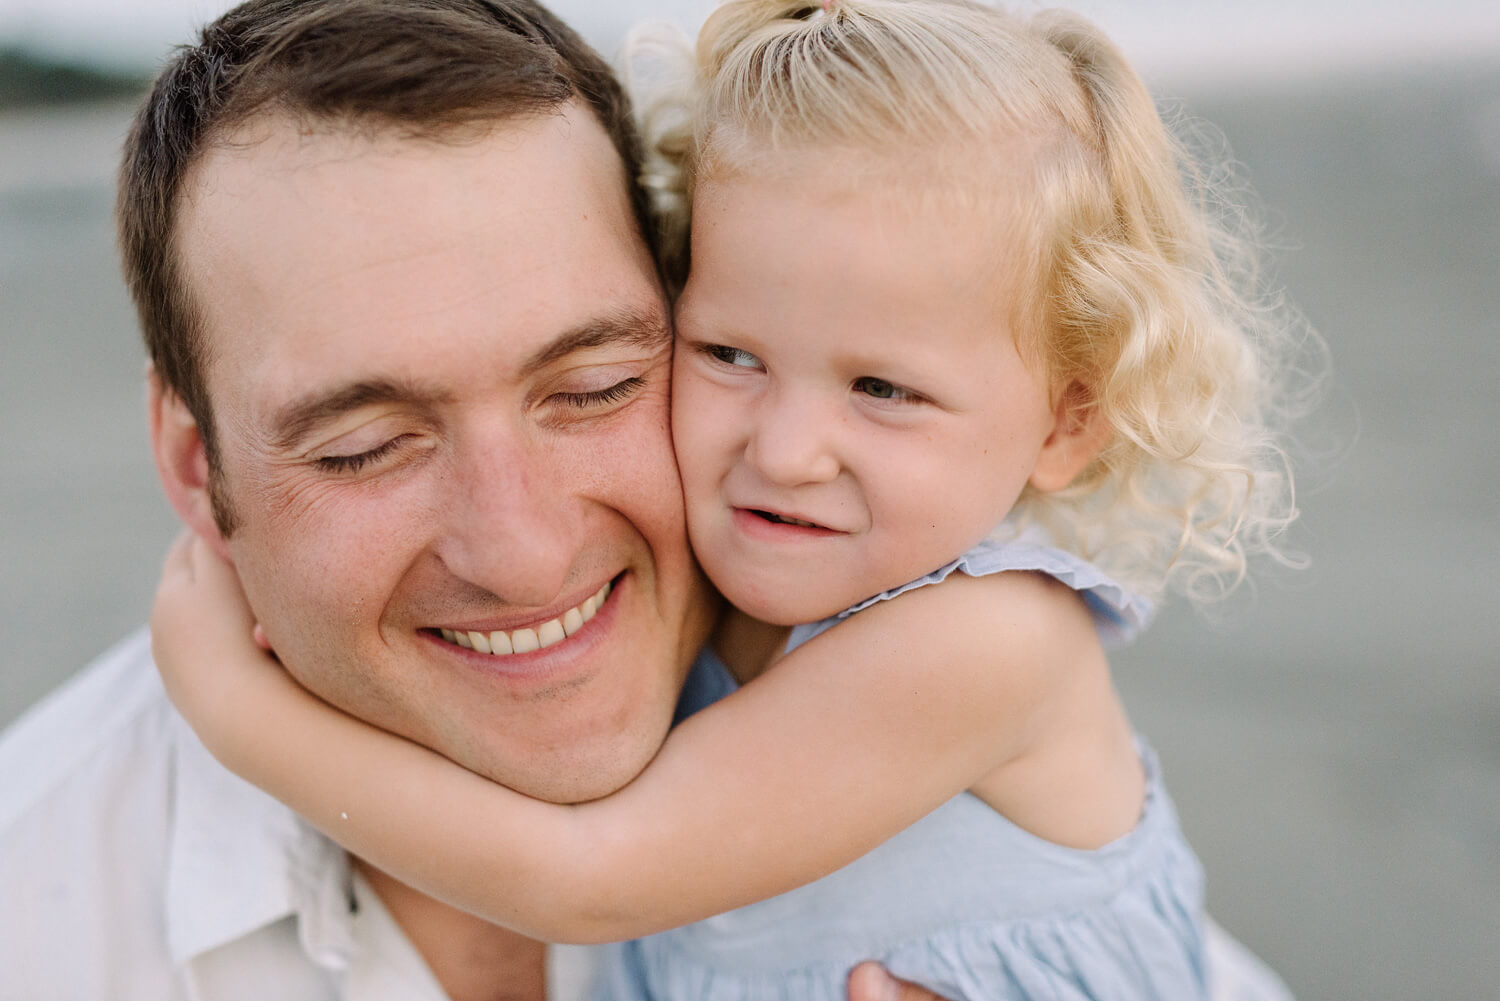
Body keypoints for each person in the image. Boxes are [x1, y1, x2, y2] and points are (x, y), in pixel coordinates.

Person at [151, 2, 1307, 1000]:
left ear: (1066, 422)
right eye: (730, 354)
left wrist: (238, 715)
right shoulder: (711, 603)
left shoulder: (990, 640)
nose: (789, 448)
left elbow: (587, 879)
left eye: (885, 388)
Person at [0, 1, 924, 997]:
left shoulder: (950, 713)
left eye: (594, 388)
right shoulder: (35, 914)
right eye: (365, 449)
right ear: (194, 464)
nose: (522, 552)